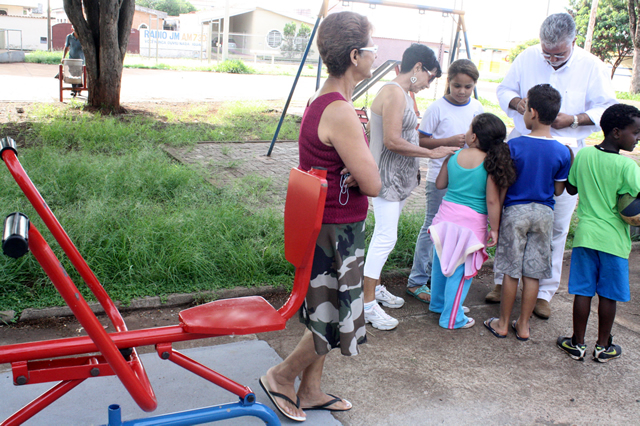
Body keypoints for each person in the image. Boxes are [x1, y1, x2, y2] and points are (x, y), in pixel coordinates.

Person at [259, 11, 381, 422]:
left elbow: (353, 171)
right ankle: (281, 376)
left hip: (327, 223)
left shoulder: (322, 97)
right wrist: (363, 168)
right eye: (371, 48)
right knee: (334, 317)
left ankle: (309, 391)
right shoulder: (341, 111)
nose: (374, 55)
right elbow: (375, 183)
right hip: (336, 228)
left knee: (323, 309)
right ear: (354, 56)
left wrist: (357, 168)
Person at [489, 12, 617, 319]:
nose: (550, 58)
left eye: (557, 53)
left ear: (573, 41)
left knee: (556, 225)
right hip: (521, 151)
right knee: (510, 219)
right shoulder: (527, 57)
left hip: (566, 152)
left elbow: (607, 107)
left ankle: (544, 291)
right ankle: (499, 281)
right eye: (545, 52)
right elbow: (503, 91)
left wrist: (573, 120)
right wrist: (518, 103)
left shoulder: (592, 66)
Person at [362, 44, 457, 331]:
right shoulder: (392, 92)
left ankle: (374, 288)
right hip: (386, 178)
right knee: (385, 238)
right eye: (429, 76)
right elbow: (391, 140)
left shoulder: (404, 94)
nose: (429, 83)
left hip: (398, 178)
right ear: (417, 68)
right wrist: (432, 153)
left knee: (384, 236)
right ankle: (366, 305)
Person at [484, 84, 572, 341]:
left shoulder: (514, 146)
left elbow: (503, 184)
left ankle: (502, 323)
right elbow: (558, 190)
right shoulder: (562, 151)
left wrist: (496, 226)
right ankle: (523, 326)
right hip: (544, 213)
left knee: (512, 270)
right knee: (532, 272)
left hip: (515, 212)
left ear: (532, 112)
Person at [557, 104, 640, 362]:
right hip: (614, 241)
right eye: (635, 133)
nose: (638, 138)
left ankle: (577, 343)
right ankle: (603, 347)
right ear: (616, 132)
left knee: (583, 292)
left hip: (585, 237)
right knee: (608, 295)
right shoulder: (628, 167)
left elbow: (571, 189)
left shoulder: (583, 156)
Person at [406, 58, 484, 306]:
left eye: (468, 87)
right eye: (457, 85)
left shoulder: (478, 108)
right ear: (448, 83)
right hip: (441, 177)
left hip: (468, 181)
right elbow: (420, 141)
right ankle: (417, 280)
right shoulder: (437, 108)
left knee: (458, 230)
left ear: (474, 86)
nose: (462, 91)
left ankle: (445, 279)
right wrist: (449, 141)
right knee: (433, 227)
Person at [428, 113, 516, 329]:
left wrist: (448, 162)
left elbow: (440, 184)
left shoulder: (454, 156)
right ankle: (452, 318)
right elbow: (492, 201)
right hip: (470, 225)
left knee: (441, 262)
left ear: (474, 136)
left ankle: (439, 304)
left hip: (444, 218)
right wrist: (494, 229)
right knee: (460, 271)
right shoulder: (490, 163)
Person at [62, 26, 85, 97]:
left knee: (78, 74)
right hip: (72, 58)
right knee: (73, 74)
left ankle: (78, 88)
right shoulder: (69, 37)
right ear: (72, 29)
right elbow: (66, 47)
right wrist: (63, 57)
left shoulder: (83, 37)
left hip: (80, 59)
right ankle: (74, 90)